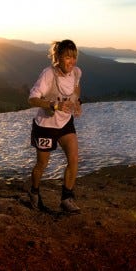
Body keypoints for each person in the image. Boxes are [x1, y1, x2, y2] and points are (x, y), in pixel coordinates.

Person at [28, 39, 83, 213]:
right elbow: (32, 99)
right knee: (41, 165)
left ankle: (66, 199)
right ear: (58, 57)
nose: (71, 61)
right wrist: (54, 106)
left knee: (73, 159)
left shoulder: (76, 72)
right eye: (67, 57)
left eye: (74, 57)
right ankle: (34, 193)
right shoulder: (48, 74)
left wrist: (76, 102)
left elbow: (76, 89)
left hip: (65, 123)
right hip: (46, 125)